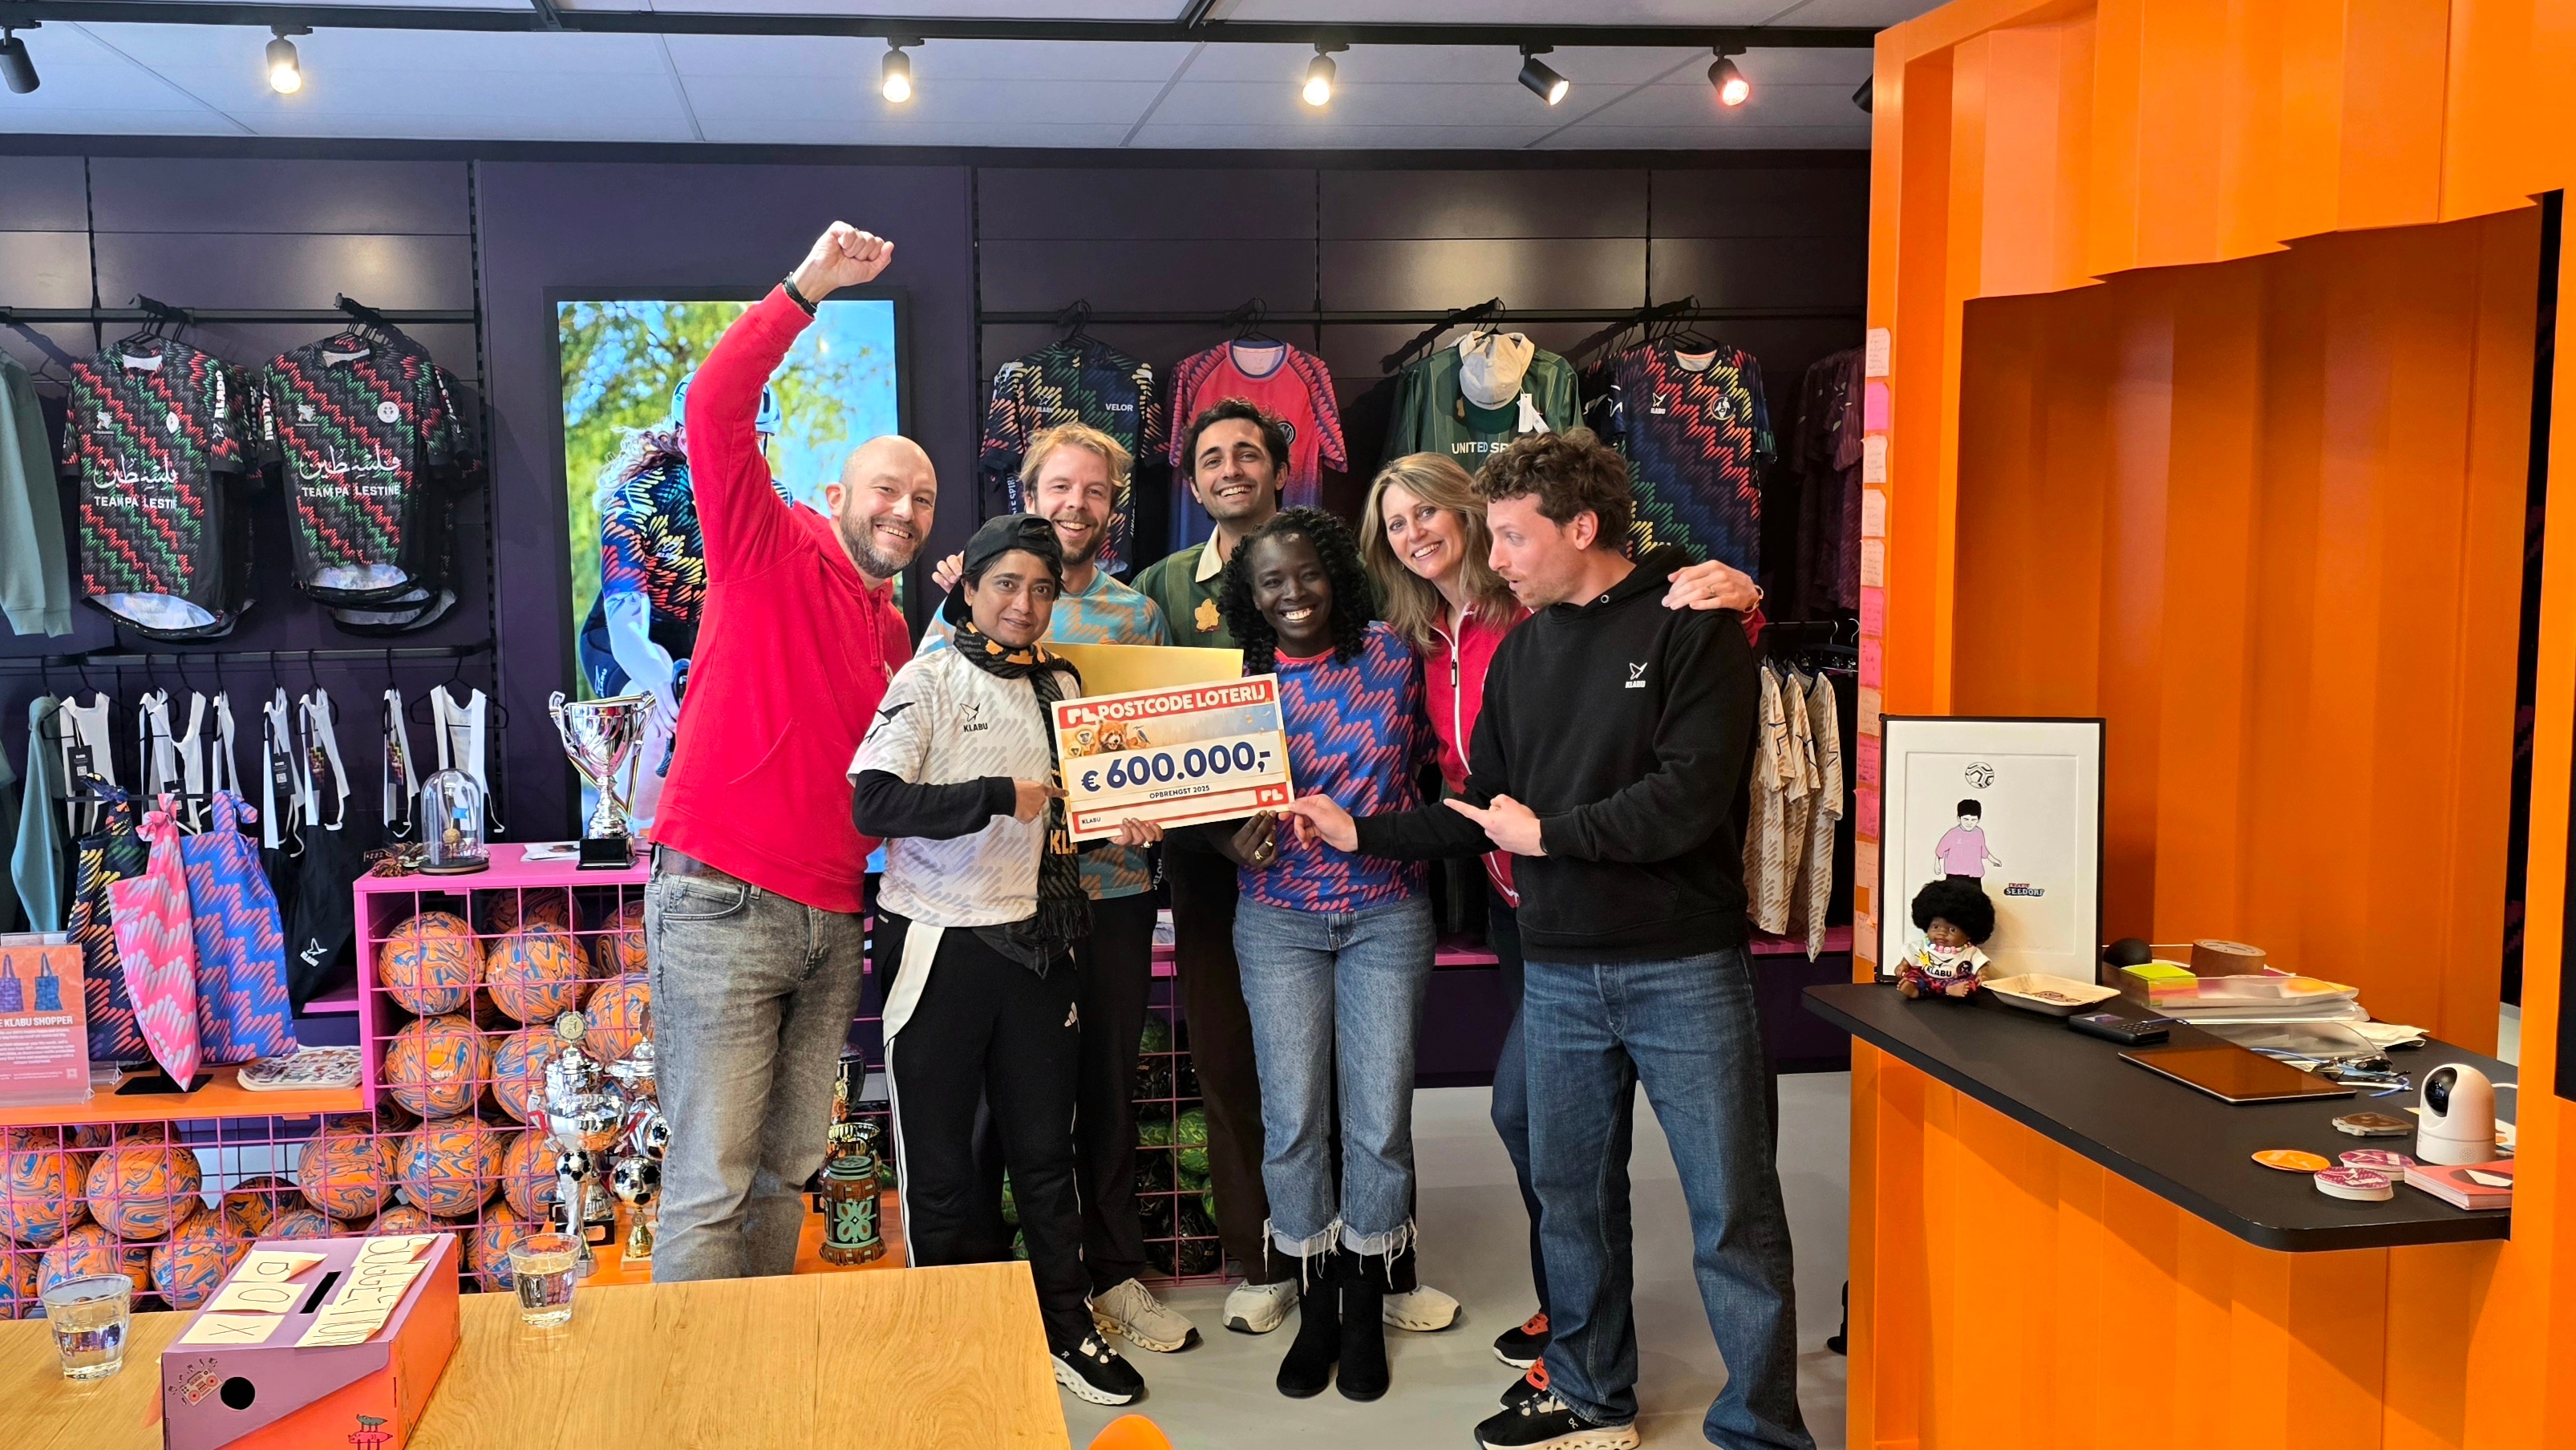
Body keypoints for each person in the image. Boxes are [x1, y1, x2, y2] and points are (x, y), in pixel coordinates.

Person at [1289, 430, 1814, 1450]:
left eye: (1513, 536)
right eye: (1490, 535)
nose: (1497, 557)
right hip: (1560, 968)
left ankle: (1759, 1427)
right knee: (1570, 1200)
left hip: (1682, 965)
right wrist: (1363, 832)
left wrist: (1551, 837)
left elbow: (1688, 798)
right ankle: (1588, 1393)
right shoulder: (1525, 652)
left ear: (1580, 527)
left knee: (1732, 1210)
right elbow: (1482, 807)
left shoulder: (1691, 623)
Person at [644, 221, 933, 1284]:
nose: (903, 511)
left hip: (832, 918)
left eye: (922, 499)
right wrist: (808, 287)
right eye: (886, 489)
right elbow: (713, 405)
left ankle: (750, 1371)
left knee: (784, 1174)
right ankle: (687, 1382)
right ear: (838, 497)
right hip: (722, 899)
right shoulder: (764, 542)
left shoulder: (895, 633)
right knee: (710, 1182)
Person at [851, 512, 1163, 1407]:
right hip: (938, 942)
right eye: (1005, 585)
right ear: (970, 588)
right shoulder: (927, 678)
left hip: (1039, 941)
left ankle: (1066, 1326)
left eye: (1040, 589)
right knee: (942, 1163)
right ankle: (950, 1336)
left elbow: (1065, 807)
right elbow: (873, 804)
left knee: (1045, 1151)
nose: (1023, 603)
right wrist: (996, 795)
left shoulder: (1061, 679)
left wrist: (1116, 823)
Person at [926, 423, 1197, 1354]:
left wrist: (1161, 801)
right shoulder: (970, 604)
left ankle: (1114, 1271)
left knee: (1107, 1086)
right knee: (996, 1096)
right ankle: (991, 1277)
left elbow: (1161, 747)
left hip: (1111, 888)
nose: (1075, 504)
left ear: (1111, 507)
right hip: (1000, 894)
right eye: (1059, 487)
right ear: (1029, 493)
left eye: (1094, 490)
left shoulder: (1136, 615)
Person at [1202, 507, 1436, 1402]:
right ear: (1250, 595)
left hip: (1385, 911)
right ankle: (1316, 1305)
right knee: (1293, 1117)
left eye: (1308, 572)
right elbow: (1200, 802)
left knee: (1378, 1120)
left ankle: (1366, 1302)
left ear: (1336, 571)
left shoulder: (1393, 656)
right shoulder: (1238, 681)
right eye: (1272, 581)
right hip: (1277, 921)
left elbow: (1436, 757)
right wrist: (1226, 841)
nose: (1294, 593)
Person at [577, 374, 781, 828]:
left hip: (704, 634)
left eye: (753, 443)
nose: (739, 457)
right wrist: (659, 684)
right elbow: (627, 627)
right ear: (687, 439)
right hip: (629, 635)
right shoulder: (634, 504)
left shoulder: (775, 503)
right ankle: (634, 831)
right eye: (724, 441)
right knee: (659, 722)